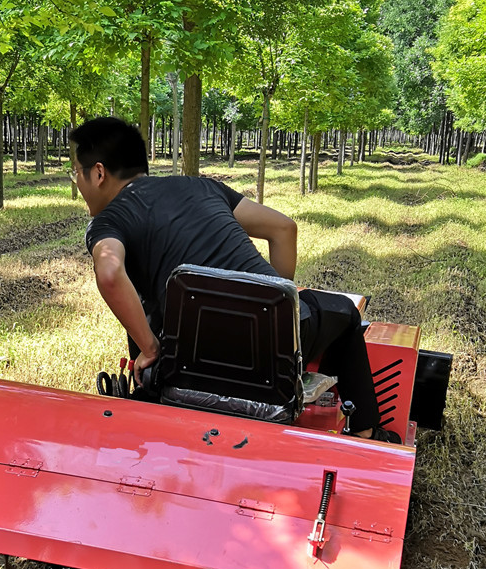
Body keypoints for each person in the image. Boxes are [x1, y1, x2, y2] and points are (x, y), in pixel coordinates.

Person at [71, 116, 399, 443]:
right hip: (274, 346)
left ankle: (162, 418)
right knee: (343, 311)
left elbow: (111, 271)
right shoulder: (200, 186)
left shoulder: (109, 220)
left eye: (76, 171)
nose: (76, 181)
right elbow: (283, 228)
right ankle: (366, 432)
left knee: (151, 309)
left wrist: (149, 348)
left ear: (98, 173)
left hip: (190, 356)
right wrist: (277, 303)